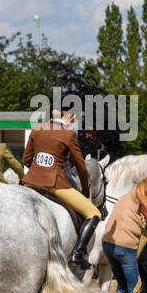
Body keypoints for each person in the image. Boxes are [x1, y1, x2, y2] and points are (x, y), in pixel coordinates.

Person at [21, 110, 101, 270]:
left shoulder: (37, 129)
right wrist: (85, 188)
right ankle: (77, 255)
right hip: (54, 183)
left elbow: (26, 159)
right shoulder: (69, 134)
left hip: (30, 181)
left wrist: (38, 171)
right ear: (70, 118)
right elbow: (81, 167)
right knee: (94, 213)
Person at [101, 190, 143, 293]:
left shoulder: (124, 196)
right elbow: (146, 223)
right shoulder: (144, 199)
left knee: (121, 287)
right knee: (134, 289)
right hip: (126, 245)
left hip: (108, 243)